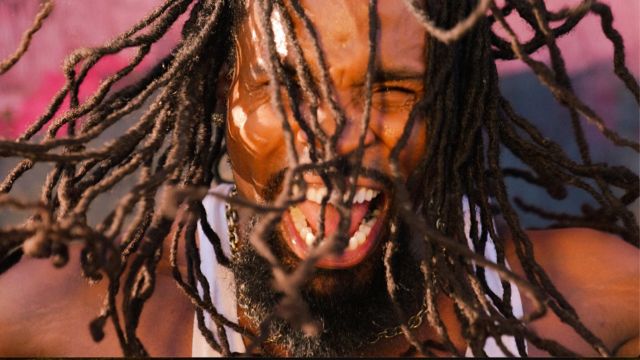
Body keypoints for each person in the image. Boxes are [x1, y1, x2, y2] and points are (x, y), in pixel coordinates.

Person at [0, 0, 638, 357]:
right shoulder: (88, 315)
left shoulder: (585, 308)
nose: (331, 146)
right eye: (287, 86)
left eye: (390, 90)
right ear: (222, 90)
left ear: (452, 103)